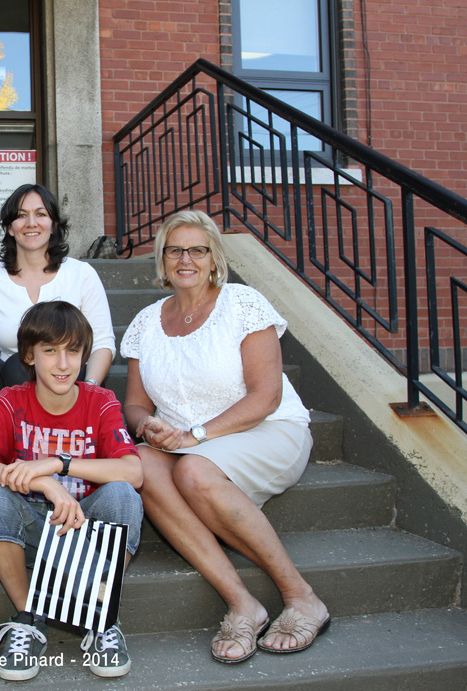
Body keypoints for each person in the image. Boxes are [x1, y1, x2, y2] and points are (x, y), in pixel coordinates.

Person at [120, 210, 329, 665]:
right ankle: (242, 603)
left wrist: (197, 435)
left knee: (194, 471)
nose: (186, 259)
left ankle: (301, 596)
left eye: (198, 249)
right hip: (184, 442)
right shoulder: (146, 322)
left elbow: (266, 397)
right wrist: (147, 425)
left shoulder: (242, 303)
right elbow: (135, 403)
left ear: (214, 259)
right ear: (162, 260)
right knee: (140, 463)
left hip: (267, 431)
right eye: (175, 250)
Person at [0, 301, 143, 682]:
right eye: (50, 351)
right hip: (32, 527)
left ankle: (98, 612)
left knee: (124, 495)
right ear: (29, 355)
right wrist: (44, 484)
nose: (63, 364)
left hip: (84, 528)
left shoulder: (100, 400)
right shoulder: (11, 400)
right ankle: (29, 616)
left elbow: (133, 470)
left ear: (84, 356)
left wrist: (58, 464)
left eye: (73, 351)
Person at [0, 184, 114, 401]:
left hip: (69, 382)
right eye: (21, 216)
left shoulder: (81, 274)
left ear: (53, 225)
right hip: (11, 382)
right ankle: (5, 424)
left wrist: (90, 387)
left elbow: (102, 343)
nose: (31, 223)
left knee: (23, 366)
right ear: (10, 228)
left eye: (41, 214)